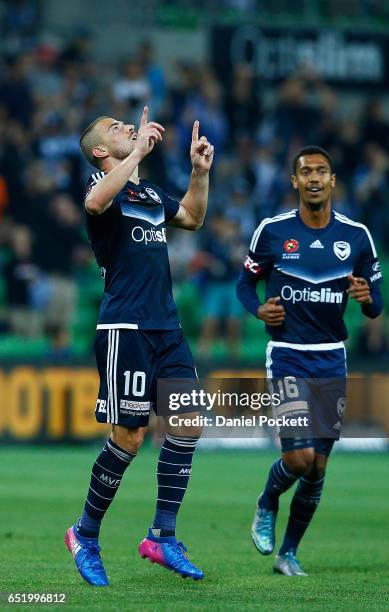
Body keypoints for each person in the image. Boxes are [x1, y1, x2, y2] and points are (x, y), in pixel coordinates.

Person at [65, 107, 214, 586]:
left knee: (188, 423)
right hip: (124, 328)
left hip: (166, 327)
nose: (127, 126)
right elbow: (95, 204)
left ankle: (162, 536)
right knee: (129, 436)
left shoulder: (147, 192)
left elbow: (191, 216)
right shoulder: (99, 187)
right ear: (101, 152)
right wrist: (140, 154)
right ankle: (85, 534)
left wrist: (199, 172)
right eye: (115, 128)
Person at [236, 145, 383, 576]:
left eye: (322, 171)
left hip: (331, 357)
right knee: (299, 460)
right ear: (295, 182)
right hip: (287, 356)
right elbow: (244, 286)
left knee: (318, 467)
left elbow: (375, 307)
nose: (315, 178)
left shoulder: (357, 236)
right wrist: (259, 310)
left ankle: (288, 554)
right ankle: (266, 502)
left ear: (333, 181)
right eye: (306, 172)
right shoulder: (273, 231)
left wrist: (367, 298)